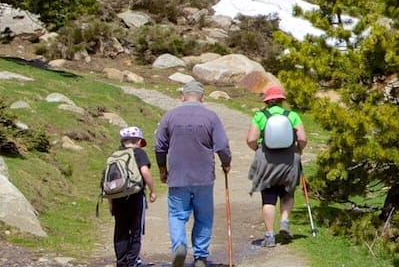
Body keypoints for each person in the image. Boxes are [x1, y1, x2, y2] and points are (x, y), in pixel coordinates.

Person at [155, 82, 231, 267]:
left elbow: (159, 146)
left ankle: (180, 246)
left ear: (183, 96)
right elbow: (222, 145)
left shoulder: (169, 116)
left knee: (177, 215)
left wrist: (162, 169)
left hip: (178, 175)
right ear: (202, 98)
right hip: (203, 176)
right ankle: (200, 256)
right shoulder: (211, 117)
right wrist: (226, 163)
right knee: (204, 216)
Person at [246, 85, 305, 248]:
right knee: (287, 192)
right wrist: (298, 151)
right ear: (281, 101)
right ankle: (284, 222)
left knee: (268, 197)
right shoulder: (292, 115)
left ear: (266, 101)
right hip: (289, 159)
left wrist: (258, 150)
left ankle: (270, 235)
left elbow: (251, 139)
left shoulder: (260, 116)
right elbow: (302, 139)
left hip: (267, 160)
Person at [112, 127, 156, 267]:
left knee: (121, 230)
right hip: (135, 197)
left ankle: (121, 261)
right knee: (136, 229)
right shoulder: (139, 153)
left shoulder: (115, 155)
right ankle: (132, 261)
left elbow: (109, 181)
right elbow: (145, 171)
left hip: (117, 198)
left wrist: (111, 204)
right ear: (138, 141)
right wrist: (152, 190)